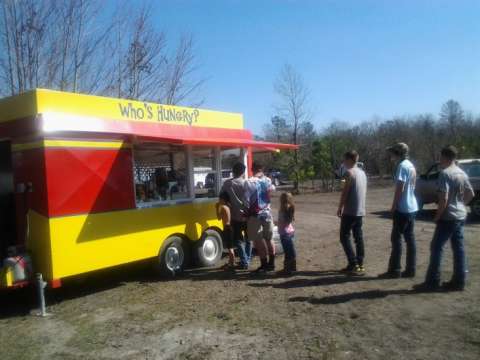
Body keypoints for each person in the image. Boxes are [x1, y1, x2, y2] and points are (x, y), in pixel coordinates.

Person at [415, 146, 475, 292]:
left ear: (445, 157)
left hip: (448, 217)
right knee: (458, 248)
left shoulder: (445, 174)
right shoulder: (462, 173)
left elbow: (444, 198)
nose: (439, 160)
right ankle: (459, 281)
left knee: (436, 247)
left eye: (440, 157)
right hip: (460, 215)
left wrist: (438, 215)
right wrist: (460, 205)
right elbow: (471, 194)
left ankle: (432, 281)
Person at [379, 142, 418, 279]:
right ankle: (411, 269)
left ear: (397, 153)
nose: (390, 155)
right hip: (412, 206)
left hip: (403, 208)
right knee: (410, 239)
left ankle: (395, 269)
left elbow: (400, 188)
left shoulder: (402, 166)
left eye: (392, 152)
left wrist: (394, 206)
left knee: (396, 239)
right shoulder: (411, 165)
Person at [336, 150, 367, 276]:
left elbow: (345, 193)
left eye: (344, 159)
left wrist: (340, 207)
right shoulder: (362, 173)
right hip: (360, 210)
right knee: (358, 237)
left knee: (344, 237)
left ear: (349, 159)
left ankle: (353, 263)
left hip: (350, 211)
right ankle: (360, 263)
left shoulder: (349, 173)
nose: (343, 162)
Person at [246, 162, 276, 273]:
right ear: (262, 169)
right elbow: (271, 193)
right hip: (267, 213)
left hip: (255, 214)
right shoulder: (268, 180)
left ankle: (264, 264)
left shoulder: (250, 181)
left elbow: (246, 199)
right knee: (269, 238)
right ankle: (271, 263)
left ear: (252, 169)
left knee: (258, 240)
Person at [220, 162, 251, 269]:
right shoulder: (248, 183)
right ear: (243, 172)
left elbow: (221, 198)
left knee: (238, 240)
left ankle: (244, 261)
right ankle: (247, 259)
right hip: (247, 215)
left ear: (233, 171)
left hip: (234, 215)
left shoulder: (227, 184)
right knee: (248, 238)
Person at [276, 192, 297, 275]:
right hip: (290, 232)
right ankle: (292, 267)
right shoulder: (290, 207)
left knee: (288, 252)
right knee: (290, 251)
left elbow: (284, 221)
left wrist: (277, 223)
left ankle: (287, 269)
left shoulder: (284, 208)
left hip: (285, 233)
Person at [216, 192, 235, 271]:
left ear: (223, 200)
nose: (219, 200)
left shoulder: (223, 207)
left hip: (227, 228)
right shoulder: (228, 206)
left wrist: (216, 208)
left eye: (220, 199)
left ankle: (232, 264)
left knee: (230, 247)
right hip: (230, 227)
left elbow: (219, 218)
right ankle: (231, 262)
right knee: (230, 246)